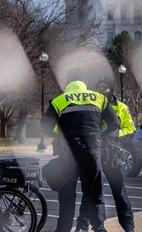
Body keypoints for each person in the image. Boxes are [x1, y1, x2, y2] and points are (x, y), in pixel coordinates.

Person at [42, 75, 119, 232]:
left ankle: (63, 229)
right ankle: (99, 228)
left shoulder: (59, 100)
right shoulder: (98, 98)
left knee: (67, 196)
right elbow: (115, 123)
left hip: (68, 153)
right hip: (92, 150)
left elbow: (45, 125)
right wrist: (99, 136)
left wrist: (59, 136)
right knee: (95, 193)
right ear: (84, 84)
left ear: (67, 83)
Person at [75, 78, 136, 232]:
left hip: (112, 153)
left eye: (105, 87)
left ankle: (129, 227)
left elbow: (130, 128)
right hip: (94, 152)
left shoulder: (121, 107)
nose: (102, 90)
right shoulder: (91, 105)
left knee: (120, 192)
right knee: (90, 191)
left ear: (111, 89)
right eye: (99, 87)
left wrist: (114, 135)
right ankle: (82, 226)